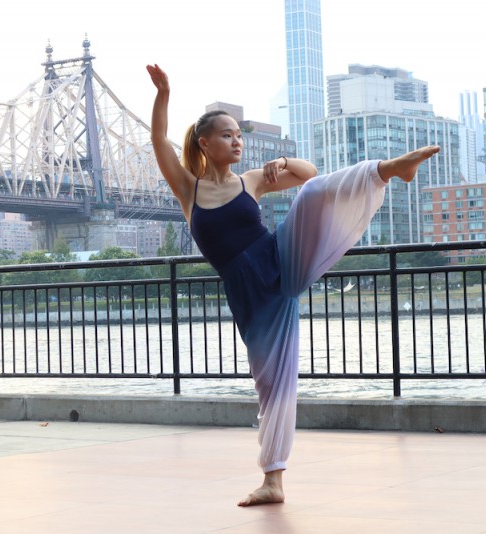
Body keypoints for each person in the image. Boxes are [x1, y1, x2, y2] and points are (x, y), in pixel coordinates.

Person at [146, 63, 440, 507]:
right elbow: (158, 142)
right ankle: (273, 481)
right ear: (204, 143)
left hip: (279, 257)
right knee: (274, 386)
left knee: (313, 193)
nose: (236, 140)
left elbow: (311, 172)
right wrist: (164, 93)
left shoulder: (252, 182)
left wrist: (284, 163)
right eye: (227, 135)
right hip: (254, 296)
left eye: (239, 135)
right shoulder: (188, 190)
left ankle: (387, 169)